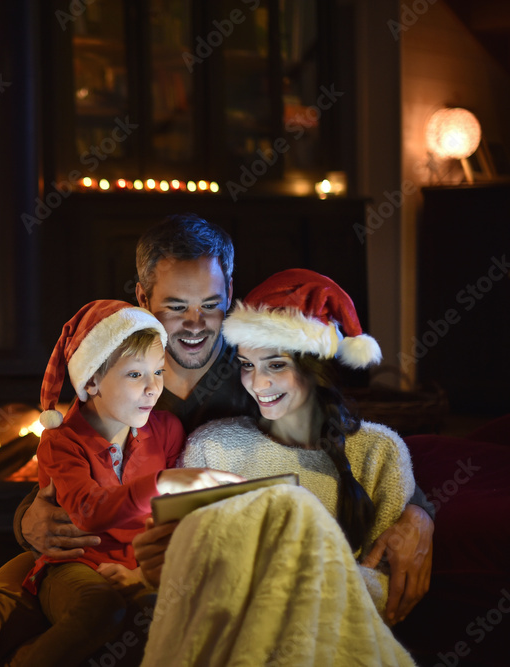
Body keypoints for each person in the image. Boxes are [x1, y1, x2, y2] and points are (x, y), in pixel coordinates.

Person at [24, 214, 434, 626]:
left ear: (230, 293)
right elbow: (70, 463)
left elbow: (345, 441)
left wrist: (419, 513)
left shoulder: (259, 372)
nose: (195, 325)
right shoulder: (118, 379)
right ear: (143, 299)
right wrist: (25, 519)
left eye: (210, 305)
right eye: (177, 307)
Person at [140, 268, 418, 665]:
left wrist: (283, 580)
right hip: (234, 643)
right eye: (247, 365)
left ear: (314, 367)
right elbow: (196, 584)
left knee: (292, 510)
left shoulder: (378, 451)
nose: (257, 383)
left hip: (331, 643)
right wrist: (161, 569)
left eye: (274, 365)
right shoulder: (213, 447)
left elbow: (388, 595)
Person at [11, 300, 242, 667]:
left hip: (139, 565)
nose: (153, 388)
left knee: (159, 615)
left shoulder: (166, 430)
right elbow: (87, 510)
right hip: (74, 564)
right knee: (99, 608)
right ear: (92, 381)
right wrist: (164, 481)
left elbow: (168, 520)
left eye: (159, 372)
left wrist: (141, 573)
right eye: (135, 375)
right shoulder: (61, 443)